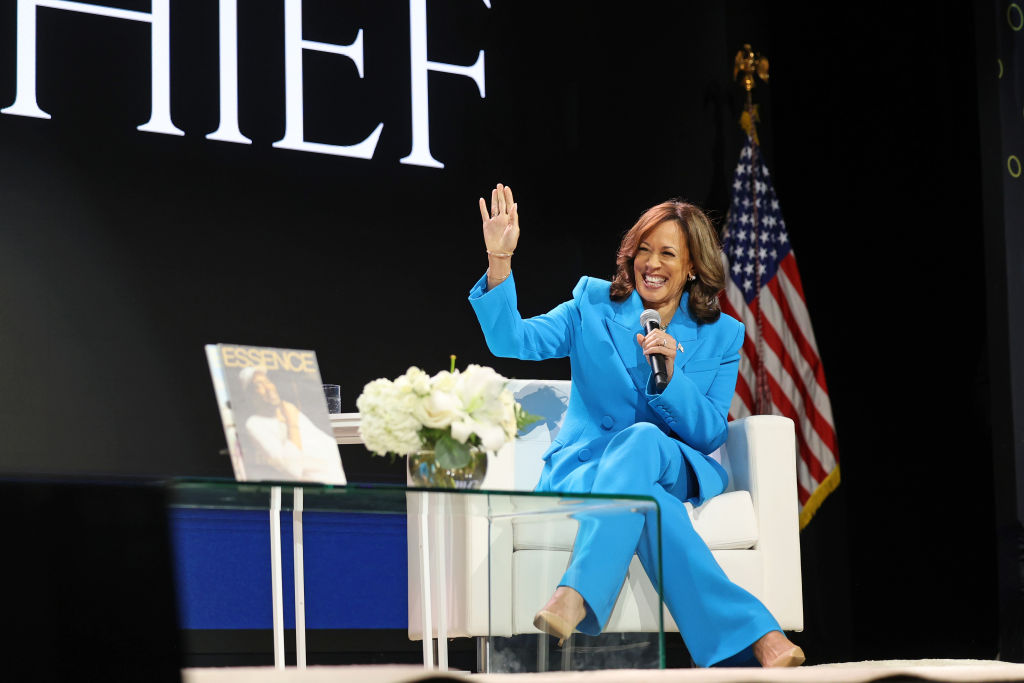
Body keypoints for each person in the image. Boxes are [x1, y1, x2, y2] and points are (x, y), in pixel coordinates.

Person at [468, 183, 804, 668]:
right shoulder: (592, 304)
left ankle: (577, 591)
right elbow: (511, 339)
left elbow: (710, 432)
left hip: (674, 464)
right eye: (644, 250)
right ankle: (760, 636)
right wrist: (499, 259)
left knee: (645, 439)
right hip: (589, 468)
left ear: (691, 267)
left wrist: (672, 378)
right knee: (650, 506)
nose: (653, 263)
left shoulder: (721, 334)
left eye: (668, 253)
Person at [238, 365, 344, 483]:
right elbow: (293, 470)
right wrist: (291, 422)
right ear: (250, 395)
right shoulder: (255, 423)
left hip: (339, 479)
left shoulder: (288, 409)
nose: (268, 387)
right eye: (258, 385)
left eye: (267, 381)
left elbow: (328, 445)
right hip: (319, 488)